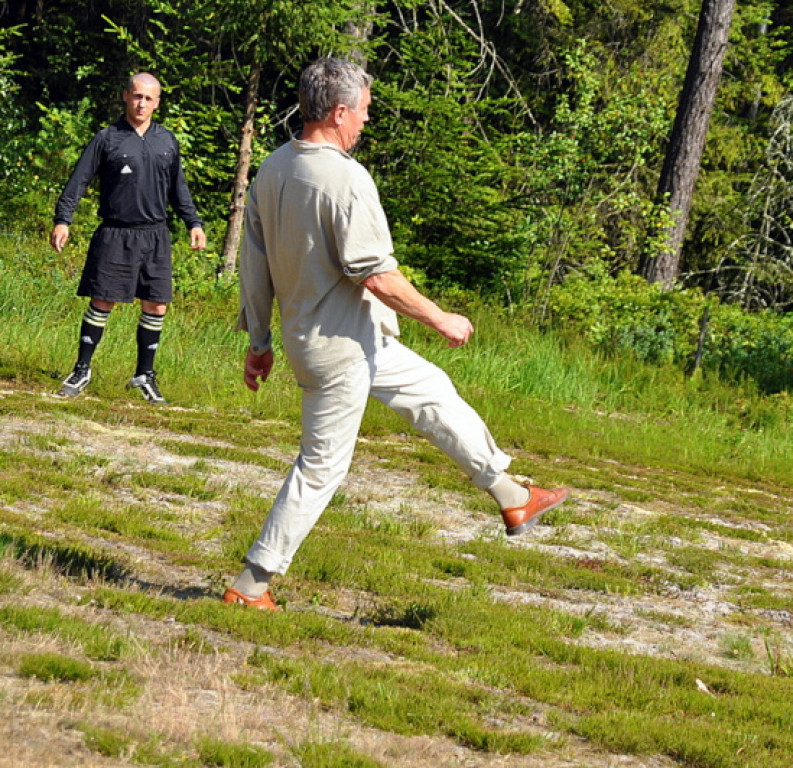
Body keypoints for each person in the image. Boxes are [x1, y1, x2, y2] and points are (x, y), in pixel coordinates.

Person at [223, 57, 568, 611]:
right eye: (362, 112)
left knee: (431, 391)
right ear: (338, 113)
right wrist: (440, 318)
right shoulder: (345, 179)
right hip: (338, 351)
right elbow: (377, 275)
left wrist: (260, 343)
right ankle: (251, 585)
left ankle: (512, 497)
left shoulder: (273, 167)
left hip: (351, 339)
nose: (365, 122)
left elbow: (253, 268)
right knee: (321, 468)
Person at [50, 72, 207, 404]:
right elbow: (78, 181)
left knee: (157, 305)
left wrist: (193, 222)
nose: (142, 103)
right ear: (125, 96)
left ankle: (143, 376)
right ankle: (82, 370)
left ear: (157, 103)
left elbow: (179, 189)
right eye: (137, 96)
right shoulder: (107, 138)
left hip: (155, 235)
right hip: (115, 233)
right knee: (102, 301)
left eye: (149, 98)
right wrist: (63, 220)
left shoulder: (167, 141)